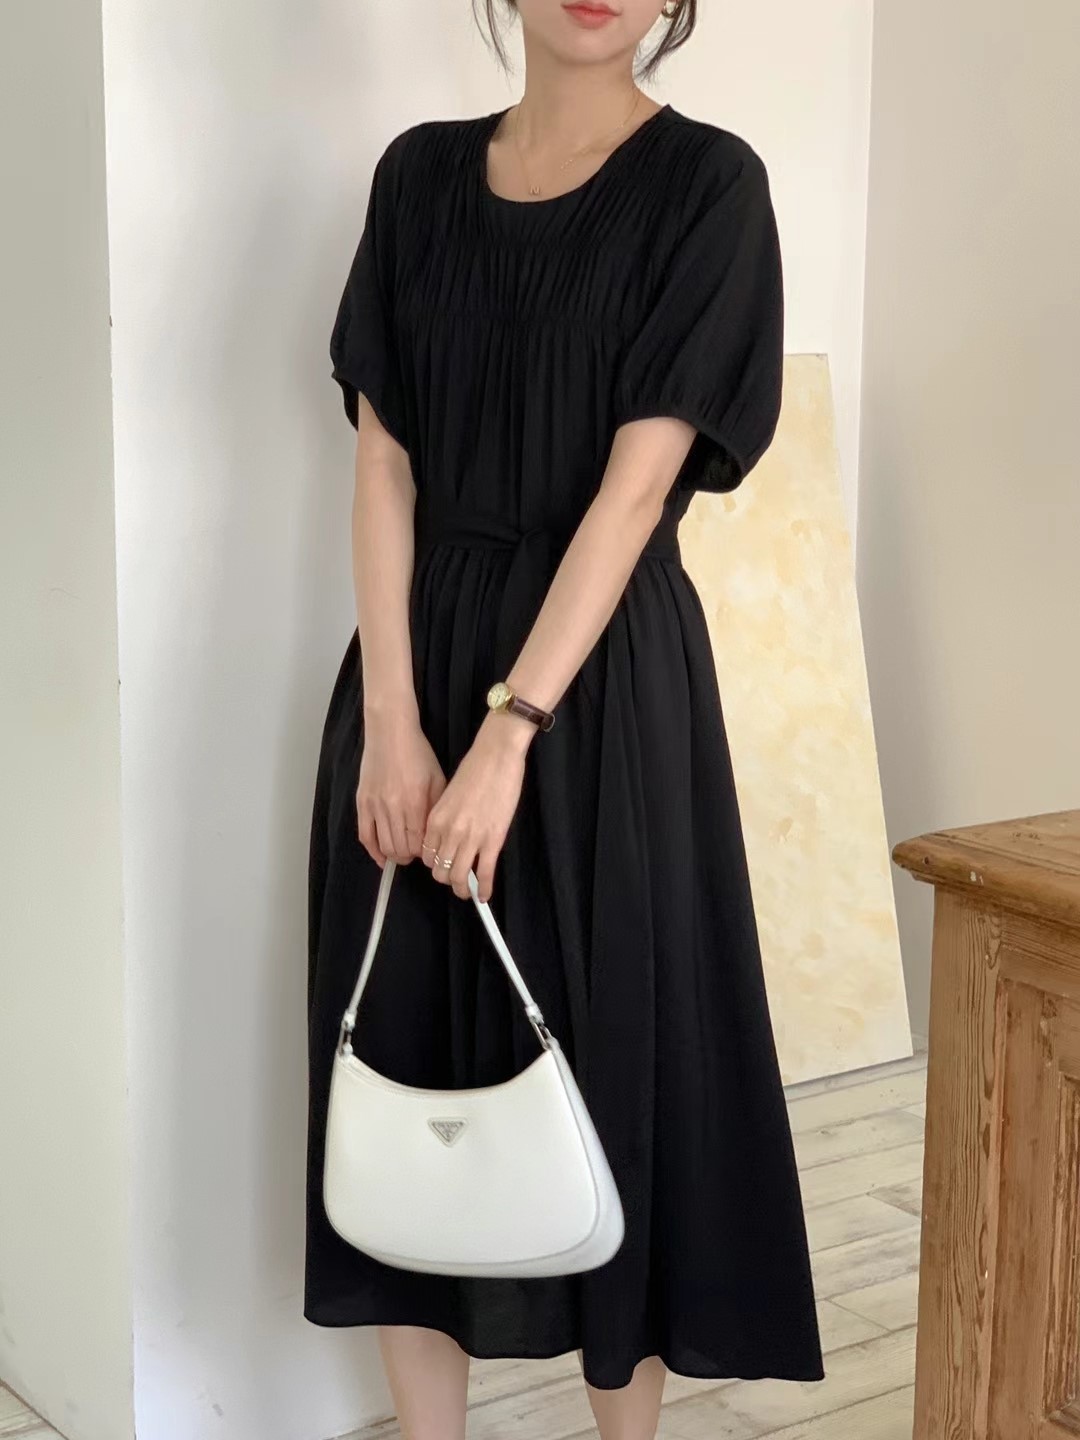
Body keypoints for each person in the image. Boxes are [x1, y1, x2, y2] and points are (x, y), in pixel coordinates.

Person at [305, 1, 825, 1436]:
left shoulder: (710, 184)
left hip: (601, 694)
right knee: (407, 1044)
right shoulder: (418, 176)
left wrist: (509, 731)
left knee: (614, 1062)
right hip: (414, 674)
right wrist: (394, 723)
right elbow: (384, 465)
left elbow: (635, 489)